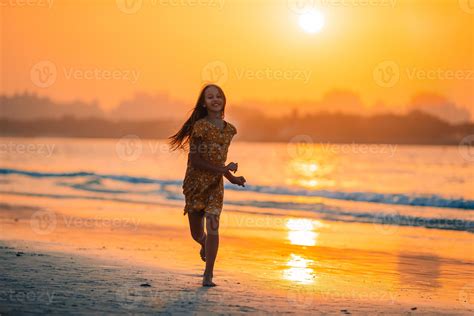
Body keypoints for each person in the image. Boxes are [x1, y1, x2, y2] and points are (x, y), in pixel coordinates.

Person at [169, 84, 246, 286]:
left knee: (213, 226)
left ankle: (208, 275)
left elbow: (219, 162)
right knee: (197, 234)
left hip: (214, 187)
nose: (215, 99)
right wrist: (224, 170)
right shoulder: (200, 126)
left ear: (224, 100)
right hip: (195, 185)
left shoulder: (229, 130)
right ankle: (204, 244)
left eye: (218, 96)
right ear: (204, 103)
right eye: (210, 97)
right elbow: (195, 160)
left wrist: (232, 178)